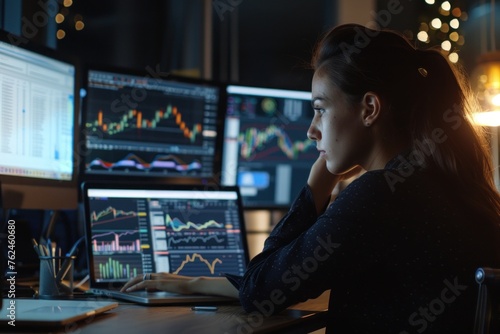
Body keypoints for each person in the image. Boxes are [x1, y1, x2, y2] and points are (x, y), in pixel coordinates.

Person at [121, 24, 500, 333]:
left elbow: (260, 291)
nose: (311, 131)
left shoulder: (379, 196)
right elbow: (284, 277)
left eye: (320, 109)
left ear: (369, 108)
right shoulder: (447, 186)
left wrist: (316, 187)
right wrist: (190, 283)